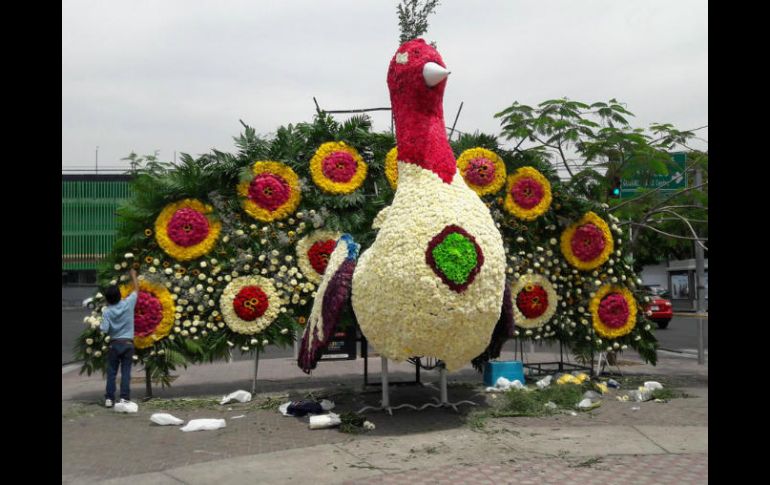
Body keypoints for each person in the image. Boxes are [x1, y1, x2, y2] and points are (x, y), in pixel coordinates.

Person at [100, 268, 139, 408]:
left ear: (107, 299)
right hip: (128, 343)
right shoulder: (128, 304)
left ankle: (109, 399)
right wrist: (133, 275)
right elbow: (136, 291)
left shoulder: (107, 312)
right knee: (126, 372)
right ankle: (124, 398)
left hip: (114, 344)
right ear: (119, 294)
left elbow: (104, 329)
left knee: (111, 373)